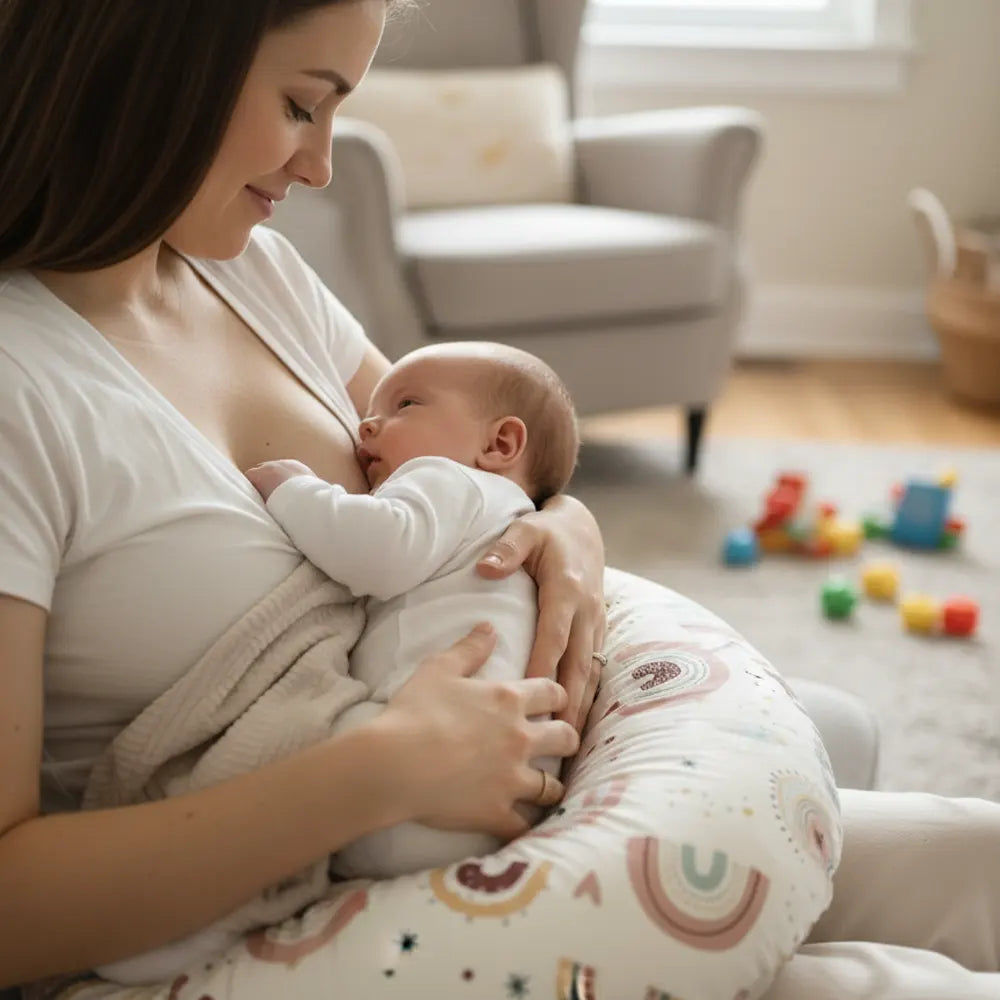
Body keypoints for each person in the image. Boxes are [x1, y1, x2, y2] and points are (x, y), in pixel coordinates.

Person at [0, 3, 997, 998]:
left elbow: (479, 455)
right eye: (303, 105)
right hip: (276, 898)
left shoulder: (245, 272)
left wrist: (568, 527)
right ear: (154, 58)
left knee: (973, 857)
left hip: (490, 795)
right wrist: (378, 772)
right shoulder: (22, 385)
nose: (321, 167)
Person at [246, 340, 580, 879]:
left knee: (275, 743)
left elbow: (379, 553)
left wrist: (293, 490)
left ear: (500, 443)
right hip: (506, 793)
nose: (366, 428)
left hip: (423, 789)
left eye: (404, 406)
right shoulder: (503, 515)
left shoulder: (449, 479)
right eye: (369, 413)